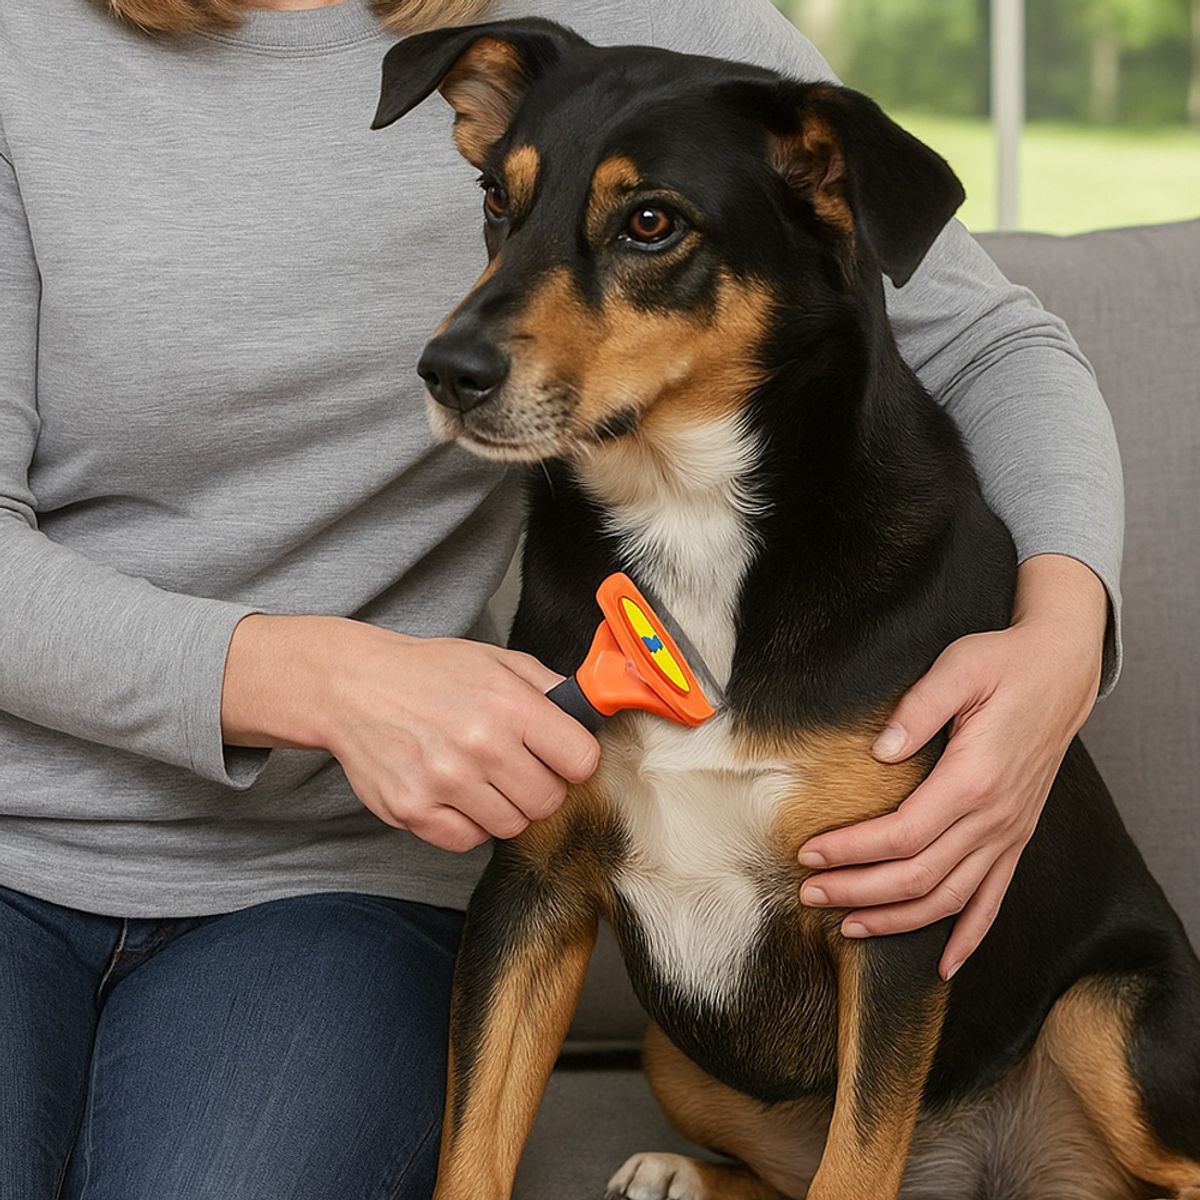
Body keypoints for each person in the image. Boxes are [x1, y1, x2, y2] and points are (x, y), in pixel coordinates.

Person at [0, 0, 1120, 1195]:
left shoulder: (656, 26)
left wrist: (1061, 642)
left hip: (330, 881)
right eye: (504, 202)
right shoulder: (27, 47)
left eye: (642, 226)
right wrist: (311, 679)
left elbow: (991, 345)